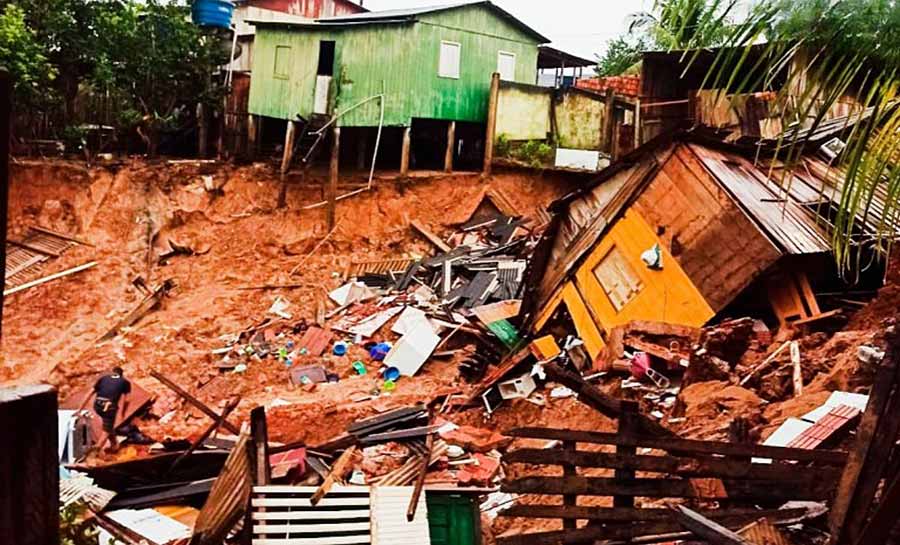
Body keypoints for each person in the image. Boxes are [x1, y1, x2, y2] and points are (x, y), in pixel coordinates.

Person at [78, 367, 131, 452]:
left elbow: (89, 393)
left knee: (109, 426)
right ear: (121, 374)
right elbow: (125, 400)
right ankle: (96, 449)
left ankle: (114, 445)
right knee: (106, 430)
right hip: (109, 407)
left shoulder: (103, 378)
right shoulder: (125, 382)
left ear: (112, 373)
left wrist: (79, 409)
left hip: (97, 405)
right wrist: (122, 414)